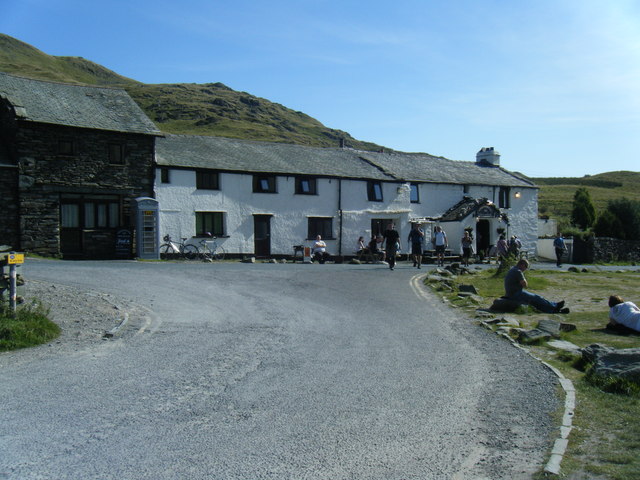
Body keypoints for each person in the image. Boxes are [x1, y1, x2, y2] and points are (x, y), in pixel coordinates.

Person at [504, 258, 569, 313]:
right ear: (522, 265)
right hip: (516, 294)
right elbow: (525, 285)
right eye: (526, 267)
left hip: (511, 293)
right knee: (537, 298)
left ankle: (553, 310)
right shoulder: (518, 271)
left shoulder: (512, 269)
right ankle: (555, 305)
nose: (525, 269)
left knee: (535, 302)